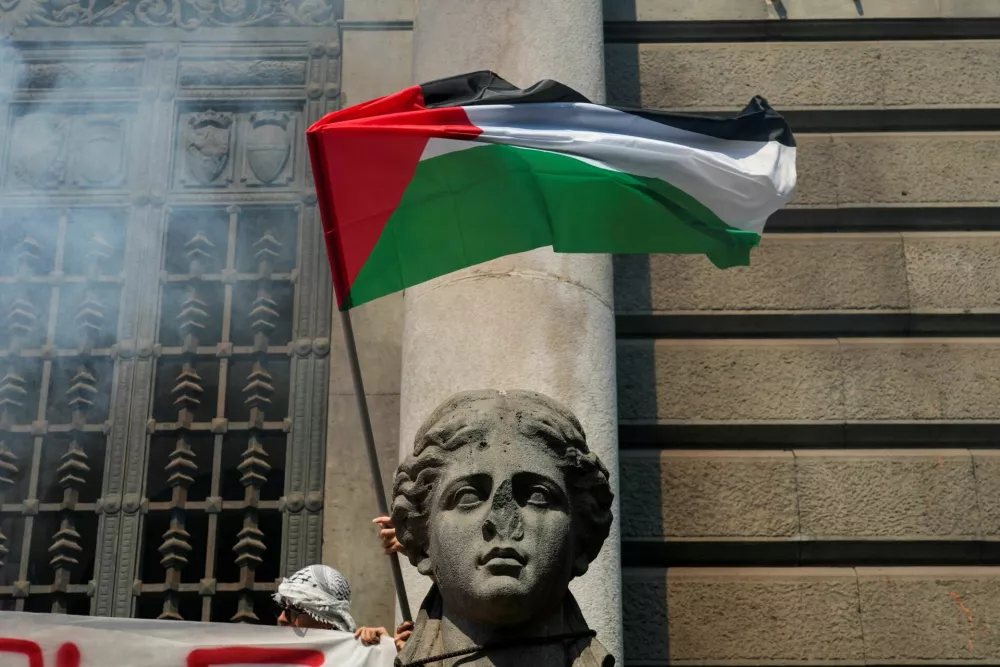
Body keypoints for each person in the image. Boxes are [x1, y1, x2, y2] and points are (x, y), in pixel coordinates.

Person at [274, 564, 399, 648]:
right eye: (282, 607)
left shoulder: (353, 659)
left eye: (294, 610)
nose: (281, 618)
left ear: (326, 622)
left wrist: (386, 652)